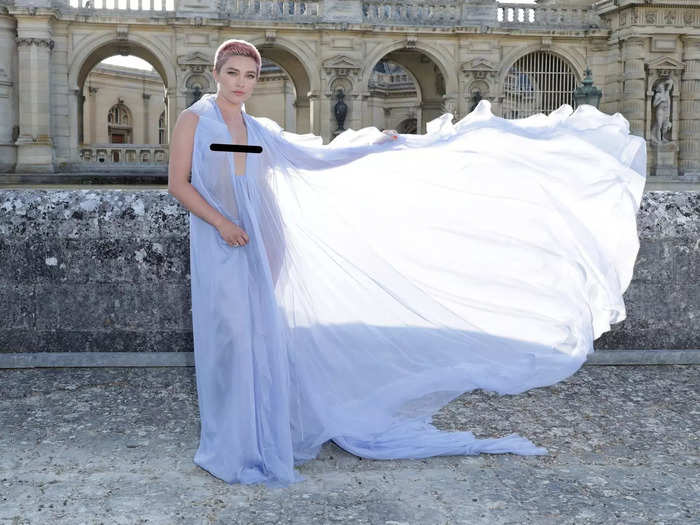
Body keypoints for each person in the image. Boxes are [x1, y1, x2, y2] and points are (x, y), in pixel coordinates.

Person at [168, 39, 647, 488]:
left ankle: (259, 438)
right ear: (215, 73)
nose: (240, 83)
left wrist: (374, 147)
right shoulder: (194, 120)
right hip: (221, 239)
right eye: (232, 73)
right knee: (228, 339)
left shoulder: (257, 128)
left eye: (250, 75)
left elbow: (313, 159)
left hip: (266, 239)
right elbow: (180, 184)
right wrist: (222, 223)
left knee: (260, 340)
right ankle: (230, 447)